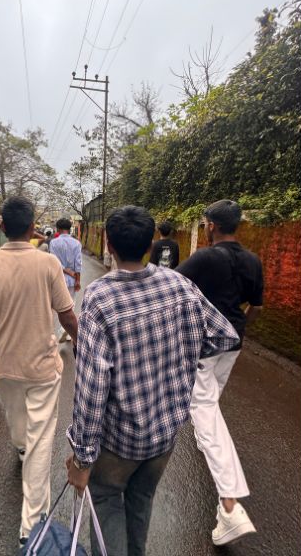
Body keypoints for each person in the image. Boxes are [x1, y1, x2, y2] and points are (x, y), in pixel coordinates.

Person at [66, 206, 239, 556]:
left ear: (109, 245)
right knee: (141, 500)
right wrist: (183, 354)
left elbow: (91, 388)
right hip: (164, 437)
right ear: (150, 246)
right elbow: (225, 336)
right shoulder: (179, 284)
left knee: (107, 499)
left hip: (119, 442)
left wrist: (83, 459)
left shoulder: (100, 298)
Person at [0, 196, 79, 547]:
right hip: (43, 368)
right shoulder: (48, 263)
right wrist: (82, 343)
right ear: (32, 228)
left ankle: (23, 456)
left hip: (5, 367)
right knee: (39, 443)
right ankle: (31, 529)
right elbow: (67, 316)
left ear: (1, 227)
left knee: (19, 422)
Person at [175, 199, 264, 546]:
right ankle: (205, 439)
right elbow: (256, 306)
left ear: (211, 225)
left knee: (204, 408)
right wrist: (238, 327)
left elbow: (171, 286)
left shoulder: (205, 258)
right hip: (234, 341)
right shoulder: (253, 260)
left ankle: (230, 506)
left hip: (204, 344)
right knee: (212, 399)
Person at [49, 218, 82, 343]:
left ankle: (62, 330)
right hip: (72, 280)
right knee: (71, 304)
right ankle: (66, 332)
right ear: (69, 229)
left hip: (58, 278)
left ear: (58, 229)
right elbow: (78, 263)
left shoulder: (53, 243)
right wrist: (77, 279)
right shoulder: (76, 243)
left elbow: (54, 262)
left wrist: (67, 271)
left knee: (58, 306)